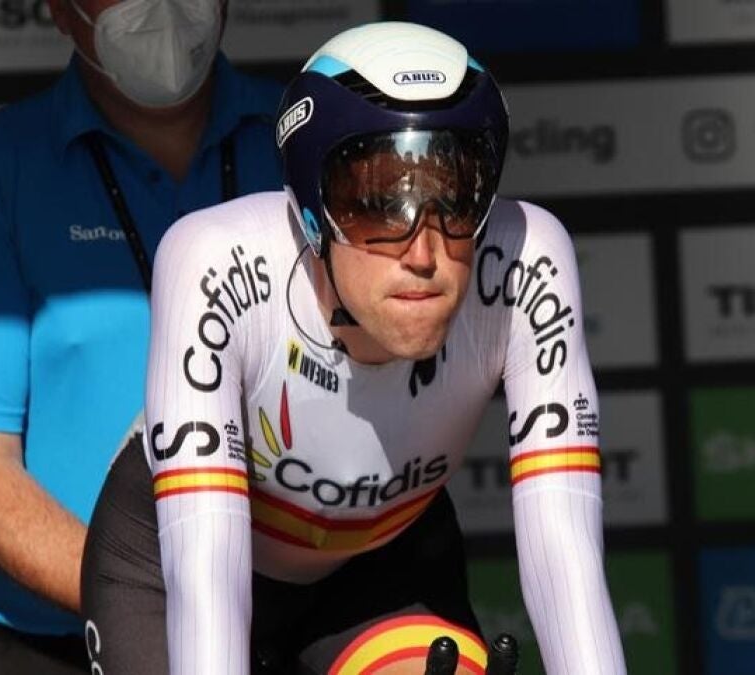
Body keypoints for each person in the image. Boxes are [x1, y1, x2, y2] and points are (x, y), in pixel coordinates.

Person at [81, 21, 629, 674]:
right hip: (169, 566)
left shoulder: (527, 257)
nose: (423, 252)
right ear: (312, 213)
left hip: (376, 567)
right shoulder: (213, 260)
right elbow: (206, 574)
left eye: (457, 201)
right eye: (377, 205)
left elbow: (566, 555)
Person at [0, 0, 283, 671]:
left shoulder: (309, 141)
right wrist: (165, 611)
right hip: (70, 642)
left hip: (297, 630)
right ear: (60, 10)